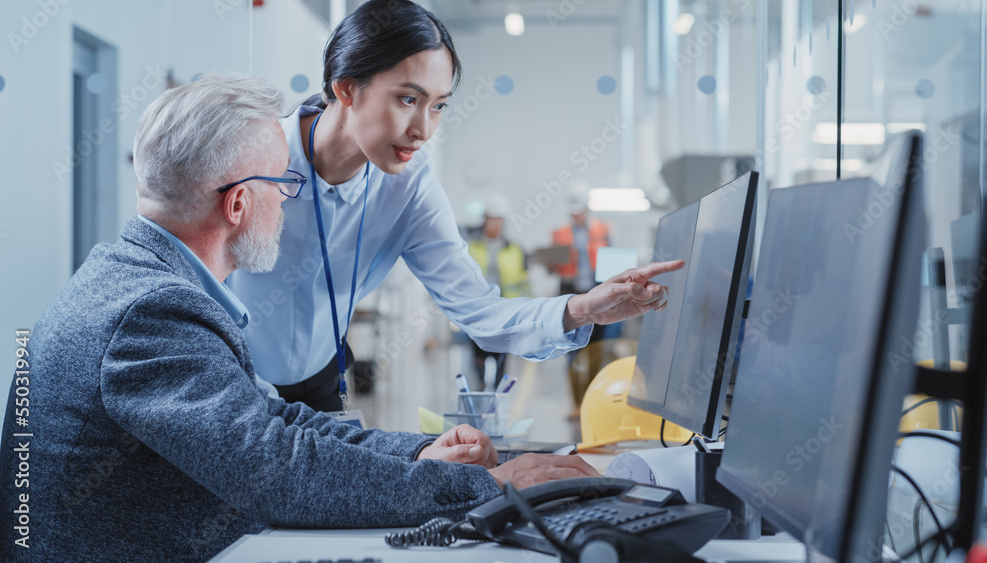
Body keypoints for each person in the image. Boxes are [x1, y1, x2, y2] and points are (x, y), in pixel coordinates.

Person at [0, 74, 599, 562]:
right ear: (237, 203)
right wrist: (486, 487)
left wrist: (418, 454)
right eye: (283, 182)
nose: (291, 197)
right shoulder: (151, 313)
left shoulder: (136, 279)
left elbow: (270, 423)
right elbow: (273, 469)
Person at [227, 0, 682, 412]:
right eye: (408, 99)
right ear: (347, 88)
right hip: (230, 378)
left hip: (322, 381)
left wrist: (583, 308)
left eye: (439, 105)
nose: (423, 129)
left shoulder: (410, 186)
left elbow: (480, 311)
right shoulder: (248, 158)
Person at [464, 194, 529, 388]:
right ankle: (480, 389)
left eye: (498, 219)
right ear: (484, 220)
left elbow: (523, 283)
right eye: (491, 218)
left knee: (501, 357)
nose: (495, 224)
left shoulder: (515, 249)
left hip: (504, 312)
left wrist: (523, 313)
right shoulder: (470, 247)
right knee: (478, 356)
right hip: (479, 311)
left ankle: (498, 399)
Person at [552, 185, 613, 342]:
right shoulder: (561, 233)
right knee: (570, 337)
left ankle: (595, 366)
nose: (576, 216)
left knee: (596, 336)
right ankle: (574, 365)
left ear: (587, 208)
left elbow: (612, 257)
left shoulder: (602, 229)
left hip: (596, 288)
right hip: (570, 290)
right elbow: (553, 267)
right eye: (573, 212)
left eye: (579, 212)